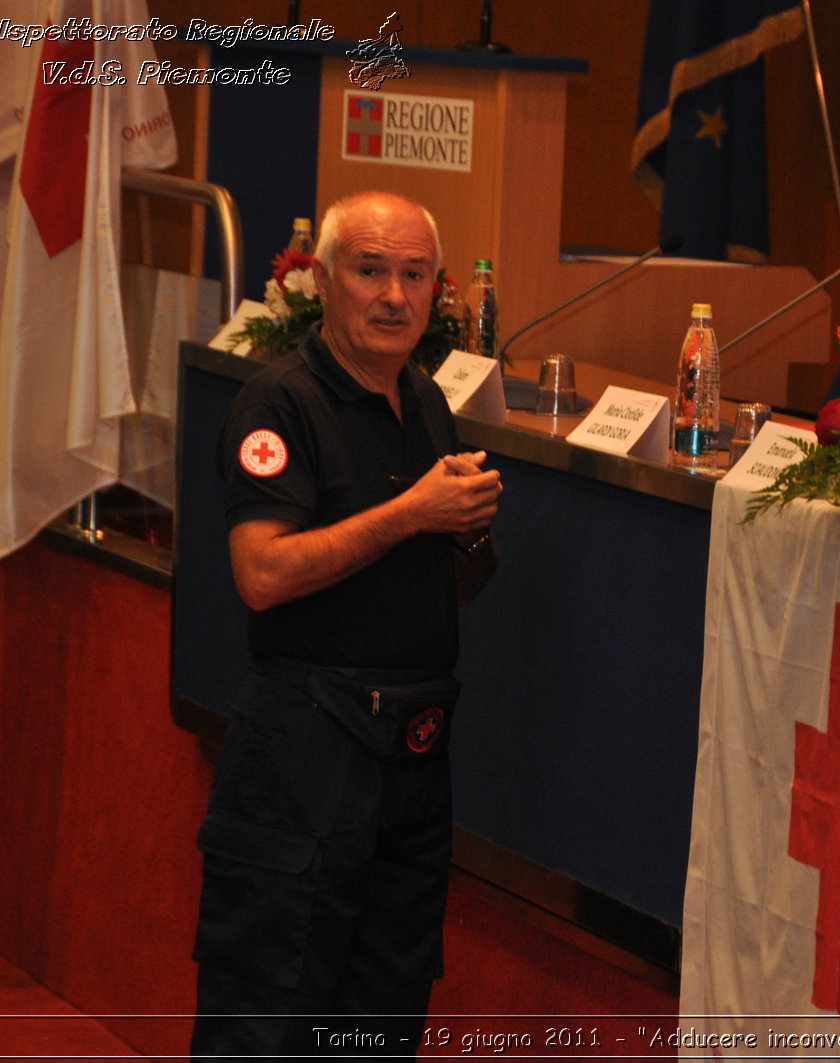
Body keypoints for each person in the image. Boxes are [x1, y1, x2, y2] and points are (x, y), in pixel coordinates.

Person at [190, 192, 502, 1059]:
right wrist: (411, 512)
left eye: (414, 275)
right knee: (267, 1018)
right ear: (324, 281)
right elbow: (261, 574)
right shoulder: (279, 404)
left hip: (411, 759)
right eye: (370, 271)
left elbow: (439, 586)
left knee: (380, 1019)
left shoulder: (426, 402)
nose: (394, 296)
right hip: (305, 759)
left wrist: (465, 528)